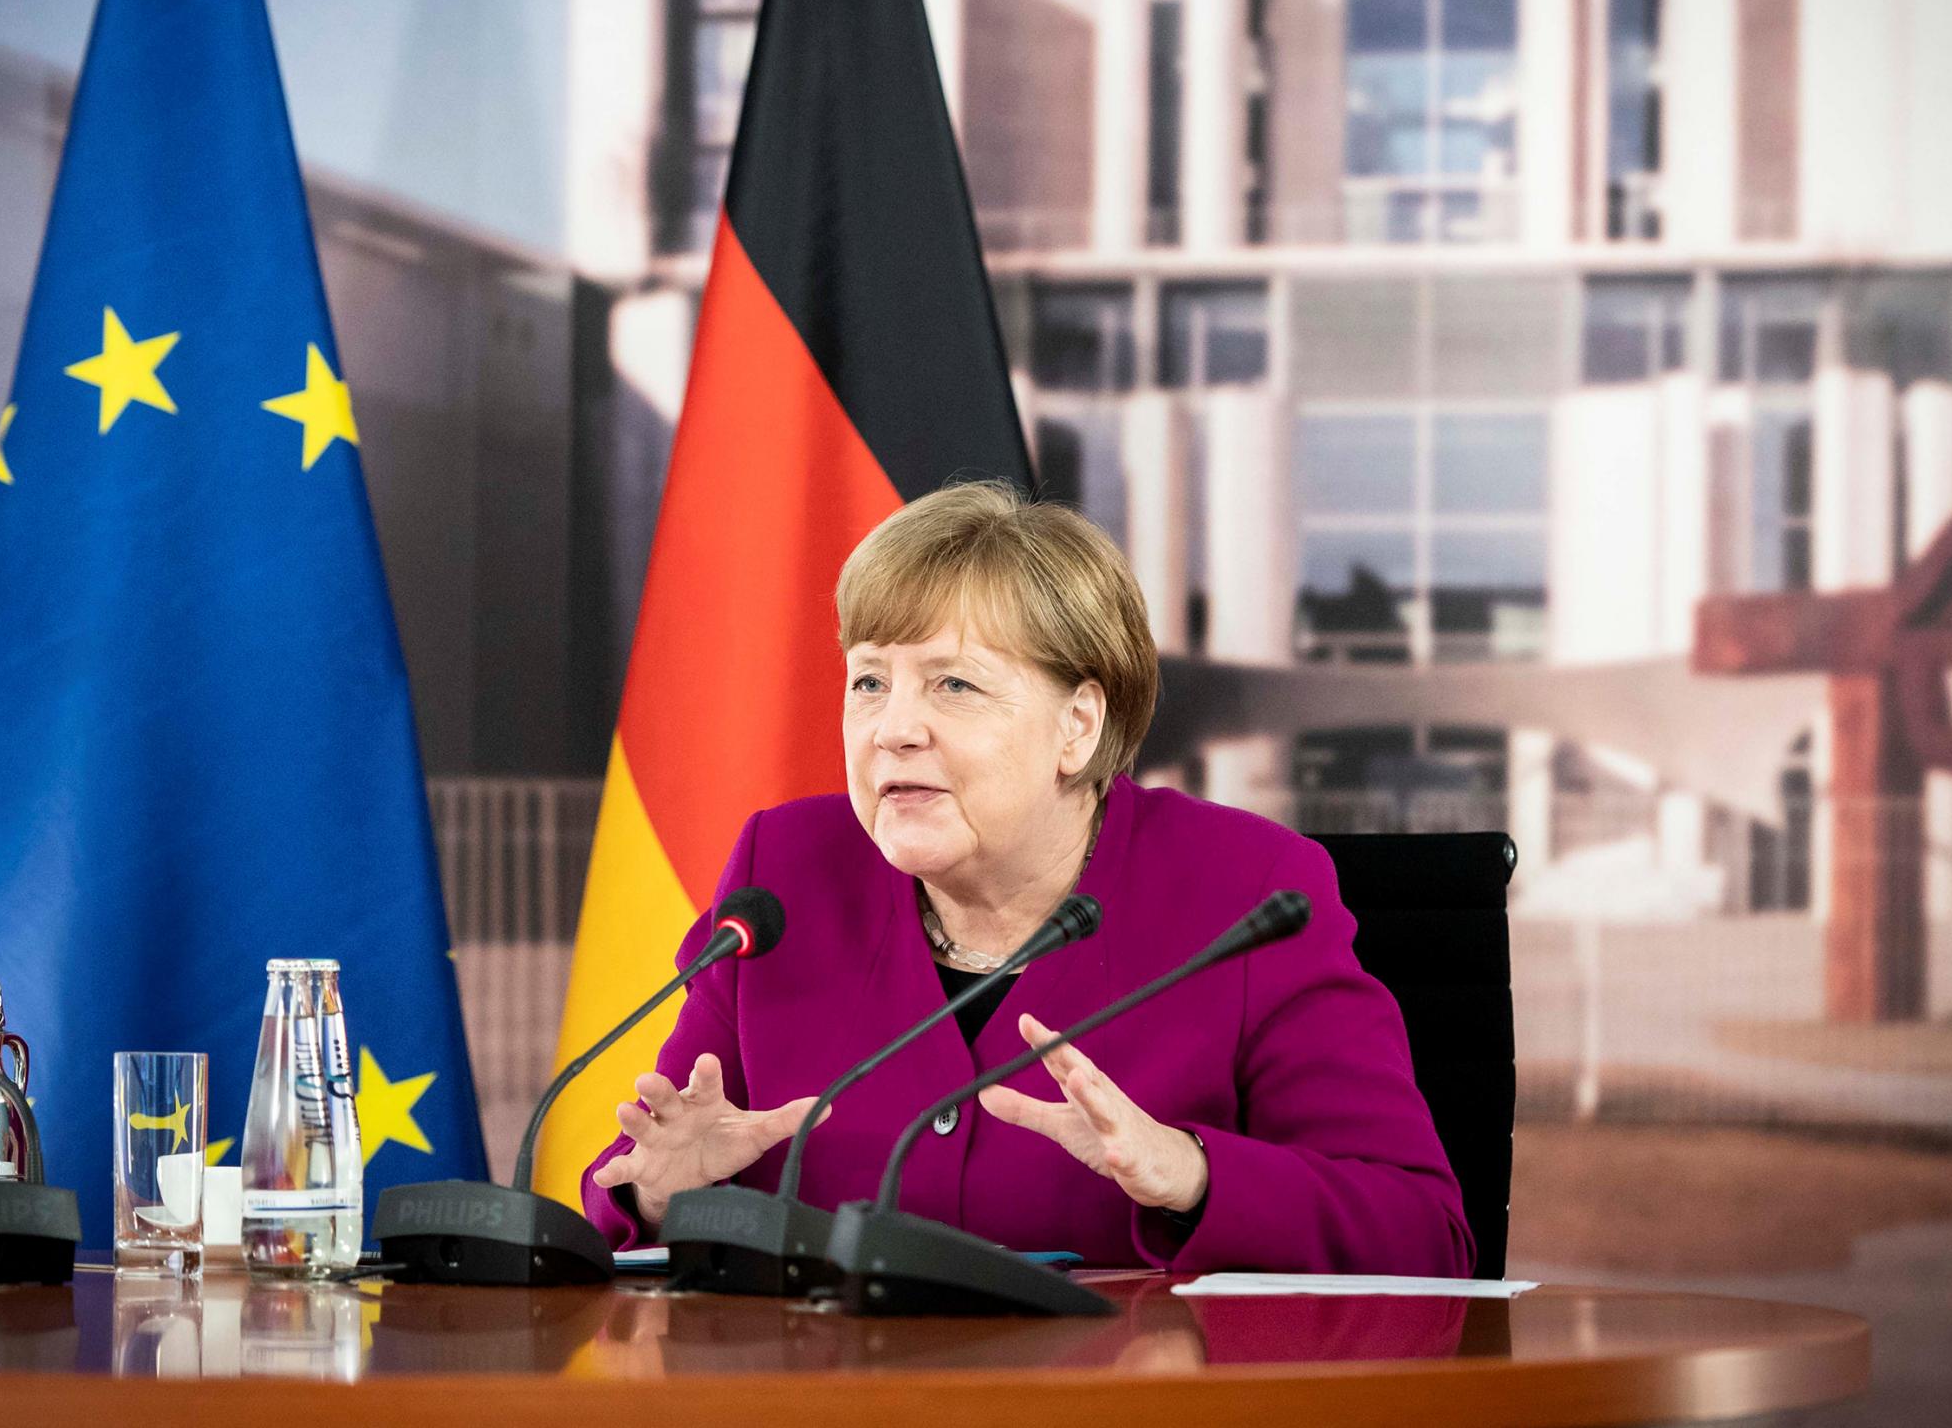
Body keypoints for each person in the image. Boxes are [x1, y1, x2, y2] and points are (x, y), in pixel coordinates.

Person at [580, 481, 1472, 1274]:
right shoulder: (782, 877)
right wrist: (656, 1193)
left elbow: (1423, 1231)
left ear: (1078, 725)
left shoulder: (1249, 892)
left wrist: (1189, 1173)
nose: (893, 728)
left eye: (953, 685)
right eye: (868, 682)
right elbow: (633, 1184)